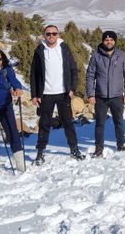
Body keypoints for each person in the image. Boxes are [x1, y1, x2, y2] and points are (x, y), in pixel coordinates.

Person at [30, 25, 86, 164]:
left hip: (63, 93)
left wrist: (72, 88)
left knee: (68, 123)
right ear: (44, 35)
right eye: (48, 34)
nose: (51, 36)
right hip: (45, 94)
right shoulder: (39, 50)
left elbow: (73, 68)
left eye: (54, 33)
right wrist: (34, 95)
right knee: (44, 124)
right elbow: (34, 74)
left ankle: (74, 149)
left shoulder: (64, 48)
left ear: (58, 34)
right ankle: (40, 152)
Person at [86, 31, 125, 157]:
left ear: (115, 41)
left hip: (117, 95)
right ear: (103, 41)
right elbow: (90, 75)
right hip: (101, 96)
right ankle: (99, 148)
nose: (109, 42)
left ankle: (121, 145)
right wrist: (91, 94)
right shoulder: (96, 56)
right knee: (100, 123)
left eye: (111, 40)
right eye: (106, 40)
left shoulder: (122, 56)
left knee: (119, 121)